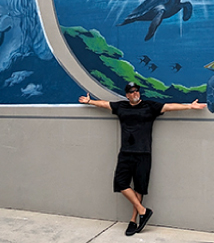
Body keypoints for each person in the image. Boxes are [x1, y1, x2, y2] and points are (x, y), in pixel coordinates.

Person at [79, 82, 205, 236]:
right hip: (126, 152)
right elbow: (105, 104)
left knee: (140, 187)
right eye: (131, 92)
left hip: (144, 153)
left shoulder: (149, 106)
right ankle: (143, 211)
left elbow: (169, 107)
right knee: (120, 183)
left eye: (137, 91)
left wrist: (189, 107)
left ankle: (134, 220)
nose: (135, 93)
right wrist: (90, 102)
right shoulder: (121, 107)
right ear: (127, 95)